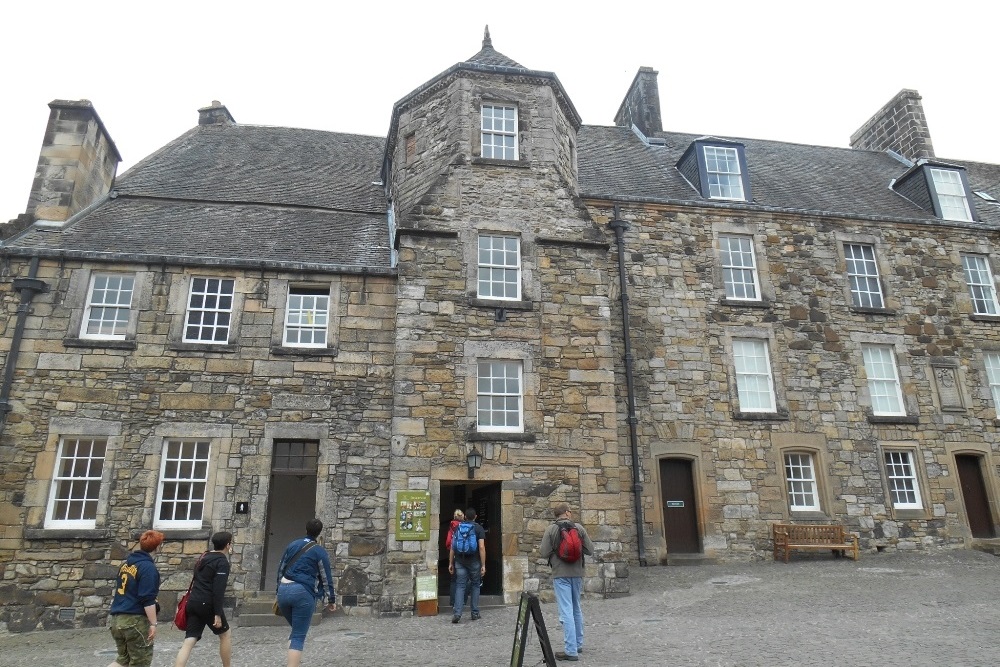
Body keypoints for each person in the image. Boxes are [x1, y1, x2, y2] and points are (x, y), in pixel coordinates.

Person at [276, 519, 337, 667]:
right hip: (303, 592)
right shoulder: (319, 551)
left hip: (284, 590)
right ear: (319, 532)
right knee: (298, 636)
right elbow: (326, 576)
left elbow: (281, 568)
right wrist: (331, 599)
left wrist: (277, 591)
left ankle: (294, 660)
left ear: (305, 530)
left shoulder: (292, 545)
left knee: (296, 630)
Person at [539, 502, 594, 662]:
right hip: (577, 572)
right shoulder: (579, 528)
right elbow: (589, 550)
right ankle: (577, 644)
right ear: (567, 513)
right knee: (576, 608)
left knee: (566, 610)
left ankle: (570, 650)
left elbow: (543, 552)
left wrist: (556, 552)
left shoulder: (551, 529)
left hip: (560, 573)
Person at [173, 531, 234, 667]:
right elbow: (218, 590)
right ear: (228, 545)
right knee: (225, 634)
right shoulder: (222, 562)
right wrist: (217, 614)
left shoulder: (204, 556)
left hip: (193, 601)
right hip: (207, 603)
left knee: (189, 640)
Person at [108, 530, 165, 667]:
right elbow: (147, 599)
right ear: (158, 547)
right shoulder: (148, 568)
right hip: (135, 621)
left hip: (117, 619)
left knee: (123, 660)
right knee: (140, 662)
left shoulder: (126, 565)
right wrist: (153, 624)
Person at [448, 506, 485, 623]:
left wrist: (450, 563)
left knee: (460, 585)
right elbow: (481, 547)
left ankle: (457, 613)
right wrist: (483, 565)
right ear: (475, 517)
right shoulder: (479, 528)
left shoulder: (458, 528)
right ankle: (474, 613)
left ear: (465, 517)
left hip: (460, 560)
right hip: (474, 561)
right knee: (475, 584)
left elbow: (453, 547)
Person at [445, 508, 466, 612]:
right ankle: (463, 601)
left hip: (453, 554)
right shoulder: (466, 526)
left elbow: (448, 542)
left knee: (454, 579)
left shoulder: (452, 527)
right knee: (465, 579)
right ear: (463, 516)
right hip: (465, 555)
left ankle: (453, 602)